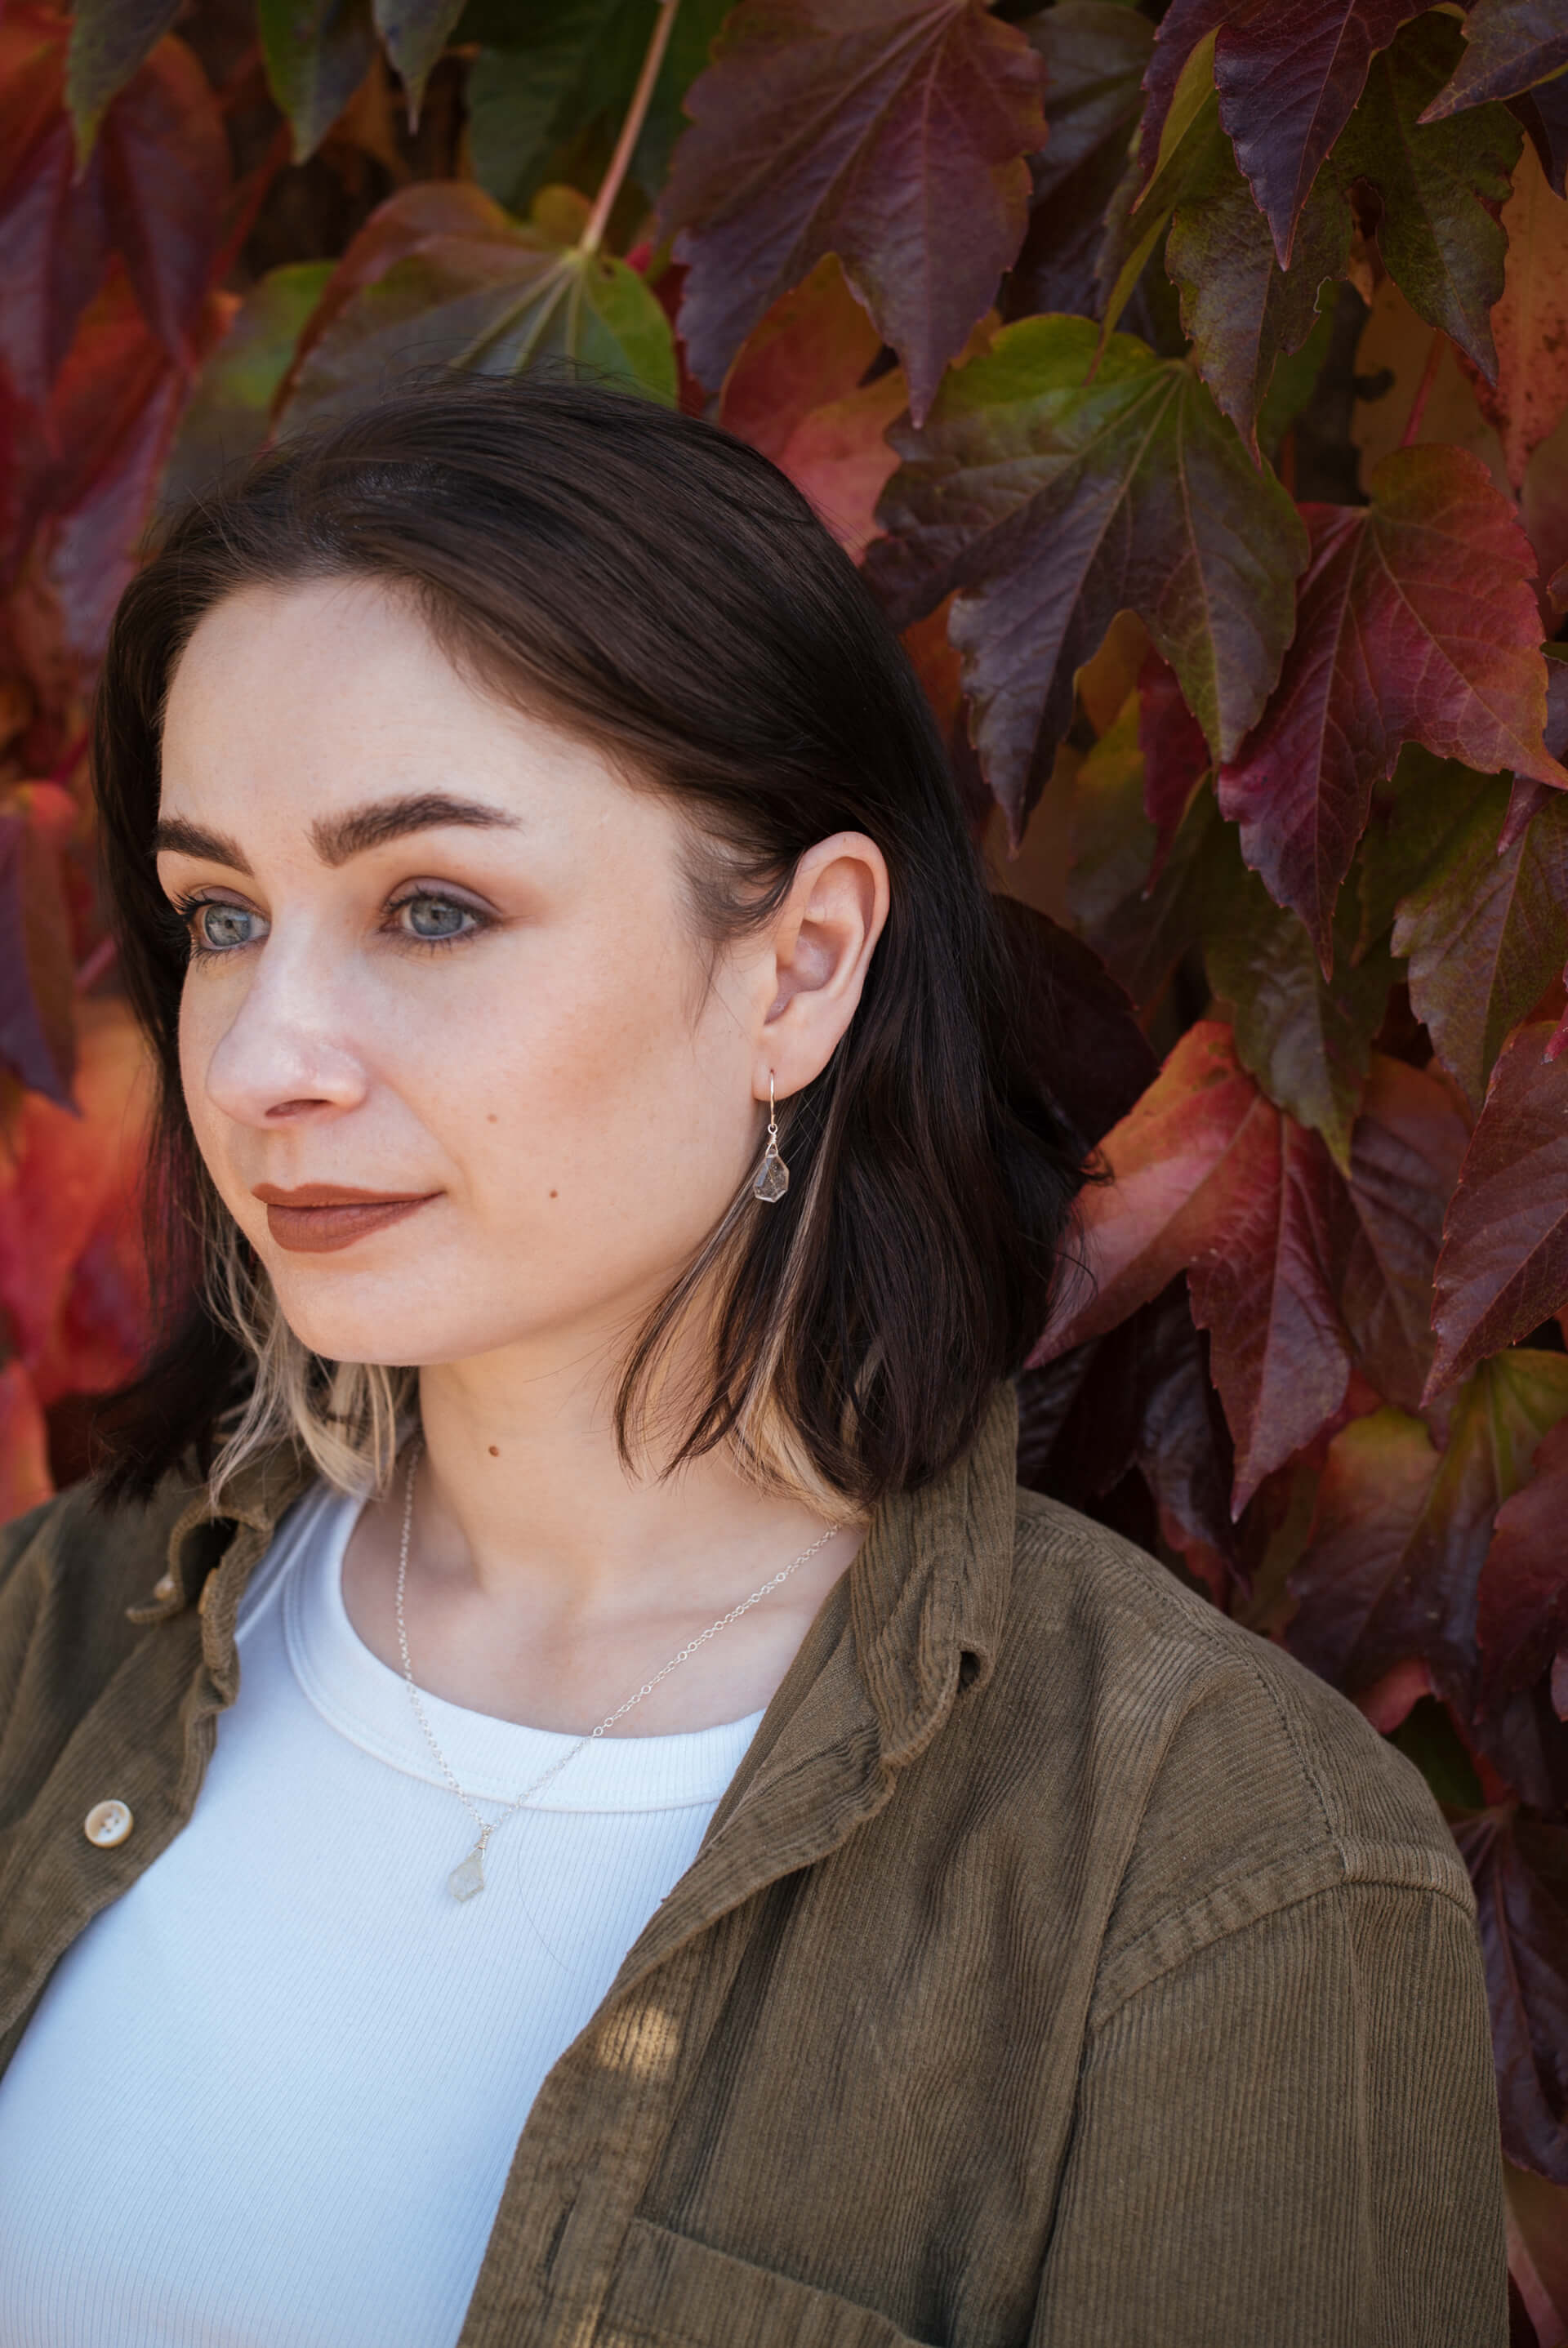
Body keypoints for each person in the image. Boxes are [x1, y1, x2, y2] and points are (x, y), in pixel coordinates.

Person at [0, 372, 1506, 2348]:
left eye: (432, 906)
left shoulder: (1219, 1868)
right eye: (220, 917)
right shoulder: (61, 1625)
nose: (269, 1056)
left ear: (798, 967)